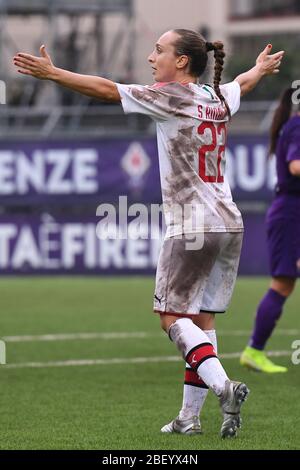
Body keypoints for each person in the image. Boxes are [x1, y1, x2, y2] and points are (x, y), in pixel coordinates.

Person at [13, 29, 284, 437]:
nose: (150, 57)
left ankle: (223, 386)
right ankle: (189, 419)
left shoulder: (170, 97)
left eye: (159, 50)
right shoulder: (216, 98)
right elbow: (240, 83)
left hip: (193, 224)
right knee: (201, 319)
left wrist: (54, 74)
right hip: (230, 222)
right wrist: (259, 69)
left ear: (181, 62)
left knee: (170, 317)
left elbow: (107, 90)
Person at [240, 88, 300, 374]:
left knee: (284, 284)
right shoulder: (298, 125)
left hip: (291, 212)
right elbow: (296, 166)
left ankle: (255, 350)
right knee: (282, 283)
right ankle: (254, 350)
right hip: (291, 215)